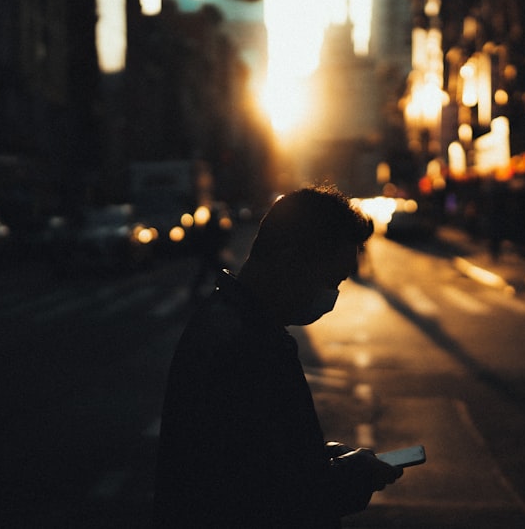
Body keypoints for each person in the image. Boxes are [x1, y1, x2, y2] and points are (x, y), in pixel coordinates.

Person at [152, 186, 402, 528]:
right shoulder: (245, 346)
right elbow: (265, 500)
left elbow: (261, 456)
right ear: (289, 259)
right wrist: (351, 477)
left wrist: (324, 458)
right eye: (332, 280)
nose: (332, 296)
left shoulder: (232, 321)